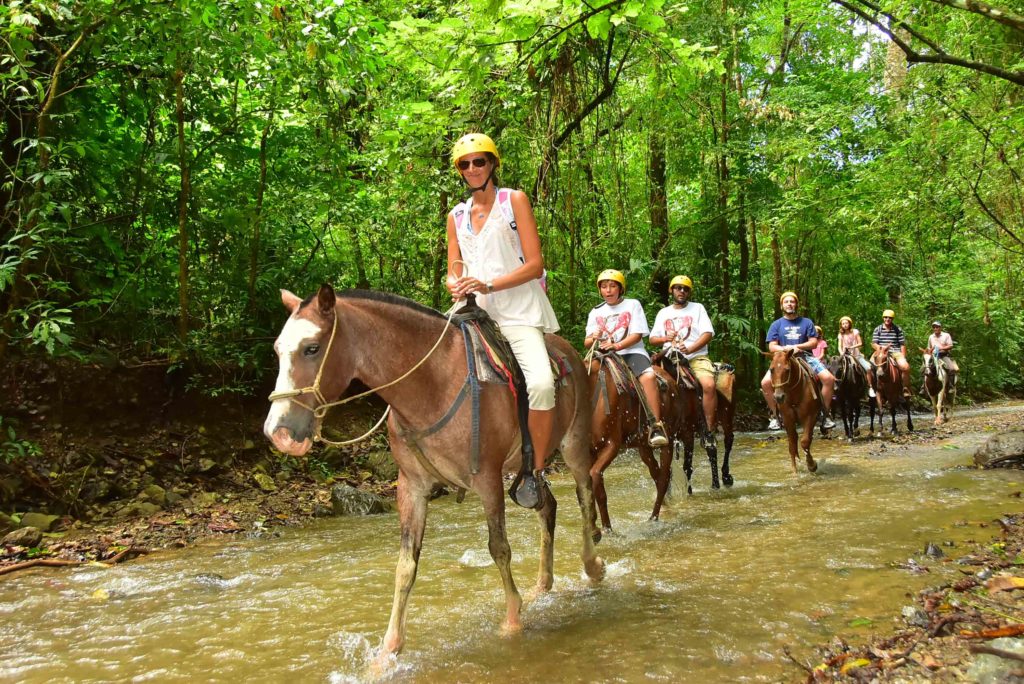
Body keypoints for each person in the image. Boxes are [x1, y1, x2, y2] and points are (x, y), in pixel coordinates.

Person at [446, 133, 558, 508]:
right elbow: (452, 269)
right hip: (470, 310)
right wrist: (455, 283)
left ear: (493, 164)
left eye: (480, 161)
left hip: (516, 310)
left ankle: (536, 471)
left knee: (541, 383)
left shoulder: (515, 201)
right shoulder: (456, 216)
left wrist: (489, 283)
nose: (473, 168)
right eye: (466, 163)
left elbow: (535, 264)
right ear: (459, 171)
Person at [584, 269, 669, 447]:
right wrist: (594, 337)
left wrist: (617, 346)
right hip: (604, 355)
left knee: (649, 376)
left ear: (620, 289)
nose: (608, 290)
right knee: (583, 375)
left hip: (631, 352)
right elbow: (587, 342)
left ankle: (655, 425)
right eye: (604, 287)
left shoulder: (632, 305)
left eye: (612, 286)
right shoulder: (595, 311)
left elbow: (637, 334)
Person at [649, 275, 718, 444]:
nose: (681, 291)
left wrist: (691, 348)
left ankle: (709, 431)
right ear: (671, 290)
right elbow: (652, 339)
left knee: (709, 385)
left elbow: (707, 333)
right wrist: (665, 338)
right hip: (669, 357)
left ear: (689, 293)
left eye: (685, 289)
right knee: (650, 384)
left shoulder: (698, 308)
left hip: (695, 356)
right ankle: (655, 426)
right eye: (678, 288)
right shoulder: (663, 313)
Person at [760, 291, 836, 431]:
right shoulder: (776, 324)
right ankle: (775, 416)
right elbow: (771, 346)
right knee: (765, 383)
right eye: (786, 302)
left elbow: (813, 342)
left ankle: (824, 414)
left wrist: (797, 347)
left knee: (829, 379)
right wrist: (786, 349)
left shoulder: (807, 322)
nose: (789, 304)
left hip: (804, 357)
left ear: (796, 304)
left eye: (792, 301)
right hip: (783, 360)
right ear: (782, 305)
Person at [871, 309, 911, 397]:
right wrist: (881, 349)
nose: (887, 319)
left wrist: (903, 357)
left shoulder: (897, 329)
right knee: (869, 367)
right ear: (883, 318)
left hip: (895, 351)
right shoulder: (878, 329)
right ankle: (871, 387)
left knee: (906, 367)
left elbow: (902, 344)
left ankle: (905, 388)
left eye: (889, 318)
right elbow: (874, 343)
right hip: (880, 352)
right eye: (885, 317)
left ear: (892, 319)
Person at [837, 316, 876, 398]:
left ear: (849, 324)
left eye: (846, 323)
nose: (845, 325)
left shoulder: (855, 332)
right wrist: (841, 353)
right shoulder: (841, 334)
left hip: (856, 355)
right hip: (845, 356)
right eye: (843, 323)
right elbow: (839, 346)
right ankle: (836, 388)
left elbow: (860, 343)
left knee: (868, 368)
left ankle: (870, 387)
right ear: (841, 325)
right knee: (834, 368)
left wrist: (852, 347)